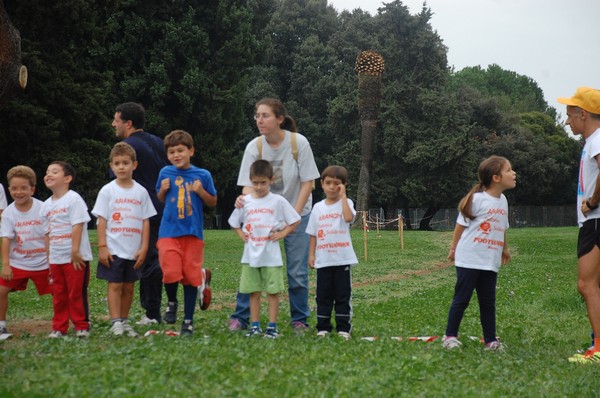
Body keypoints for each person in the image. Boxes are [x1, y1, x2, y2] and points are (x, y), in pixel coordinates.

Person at [229, 98, 320, 332]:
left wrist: (291, 219)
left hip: (299, 213)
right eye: (257, 115)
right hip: (263, 218)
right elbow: (247, 187)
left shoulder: (298, 143)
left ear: (280, 119)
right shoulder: (254, 147)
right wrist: (247, 206)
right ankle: (241, 317)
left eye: (265, 115)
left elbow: (307, 184)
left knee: (297, 271)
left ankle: (299, 319)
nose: (260, 120)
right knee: (253, 264)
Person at [442, 155, 516, 351]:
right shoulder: (477, 199)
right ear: (496, 178)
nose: (513, 173)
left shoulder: (504, 201)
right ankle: (450, 337)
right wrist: (453, 249)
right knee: (462, 298)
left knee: (488, 302)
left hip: (489, 261)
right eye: (509, 170)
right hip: (469, 259)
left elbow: (502, 227)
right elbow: (460, 226)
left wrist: (505, 248)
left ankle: (491, 341)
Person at [228, 160, 301, 338]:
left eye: (263, 182)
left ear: (271, 180)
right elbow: (234, 222)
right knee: (253, 291)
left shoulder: (277, 201)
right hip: (250, 256)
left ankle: (272, 326)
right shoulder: (245, 201)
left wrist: (282, 234)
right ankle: (254, 326)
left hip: (271, 256)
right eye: (255, 182)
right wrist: (240, 234)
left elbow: (295, 220)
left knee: (273, 292)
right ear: (250, 180)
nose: (259, 187)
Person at [92, 143, 157, 337]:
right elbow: (101, 220)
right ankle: (115, 323)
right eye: (117, 163)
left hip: (133, 250)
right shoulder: (107, 191)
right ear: (111, 166)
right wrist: (102, 247)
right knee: (115, 285)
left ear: (134, 165)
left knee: (129, 287)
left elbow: (146, 221)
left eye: (125, 163)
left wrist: (144, 247)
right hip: (113, 249)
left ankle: (125, 321)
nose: (121, 167)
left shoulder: (141, 192)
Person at [156, 130, 217, 336]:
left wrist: (201, 191)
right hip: (169, 232)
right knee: (170, 272)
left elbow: (212, 202)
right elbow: (161, 198)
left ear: (191, 151)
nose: (176, 155)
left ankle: (188, 321)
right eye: (172, 152)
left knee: (191, 278)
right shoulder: (165, 173)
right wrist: (163, 190)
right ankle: (172, 301)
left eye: (181, 150)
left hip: (192, 234)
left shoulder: (203, 175)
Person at [112, 102, 168, 325]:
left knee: (148, 260)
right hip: (166, 208)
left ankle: (152, 313)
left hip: (142, 212)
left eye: (116, 120)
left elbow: (117, 180)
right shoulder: (159, 142)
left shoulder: (126, 147)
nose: (113, 124)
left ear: (128, 123)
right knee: (159, 257)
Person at [557, 88, 600, 363]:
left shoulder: (596, 140)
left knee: (586, 285)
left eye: (570, 115)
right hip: (594, 221)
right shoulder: (593, 141)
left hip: (595, 221)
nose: (567, 122)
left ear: (583, 114)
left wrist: (593, 202)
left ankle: (598, 347)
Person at [41, 161, 93, 338]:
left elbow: (77, 225)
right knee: (59, 294)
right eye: (47, 172)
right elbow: (47, 233)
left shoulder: (73, 198)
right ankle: (59, 327)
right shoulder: (45, 205)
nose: (48, 174)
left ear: (67, 178)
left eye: (54, 172)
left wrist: (75, 251)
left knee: (75, 293)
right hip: (56, 258)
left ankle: (81, 326)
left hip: (75, 257)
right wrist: (49, 258)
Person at [306, 166, 358, 340]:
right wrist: (311, 255)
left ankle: (344, 328)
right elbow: (313, 233)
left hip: (342, 259)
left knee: (343, 295)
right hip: (324, 260)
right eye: (328, 183)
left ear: (343, 186)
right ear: (322, 184)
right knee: (323, 296)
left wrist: (343, 196)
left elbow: (349, 218)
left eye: (337, 184)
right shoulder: (317, 208)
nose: (331, 187)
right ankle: (323, 327)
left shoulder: (347, 203)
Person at [0, 166, 50, 336]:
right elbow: (6, 238)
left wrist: (52, 262)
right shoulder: (8, 213)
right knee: (1, 291)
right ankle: (1, 325)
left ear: (32, 189)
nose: (18, 192)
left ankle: (61, 324)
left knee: (60, 291)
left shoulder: (43, 208)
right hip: (18, 262)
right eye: (14, 188)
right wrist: (6, 265)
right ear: (9, 190)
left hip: (42, 262)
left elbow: (49, 235)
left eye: (23, 188)